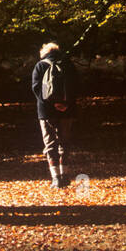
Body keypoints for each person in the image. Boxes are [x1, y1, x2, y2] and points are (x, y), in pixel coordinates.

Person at [31, 42, 78, 188]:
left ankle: (56, 178)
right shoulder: (68, 65)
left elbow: (36, 89)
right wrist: (66, 104)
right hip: (67, 110)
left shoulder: (40, 66)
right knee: (65, 142)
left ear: (44, 52)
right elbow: (77, 86)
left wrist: (51, 105)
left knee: (50, 143)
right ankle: (65, 176)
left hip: (46, 112)